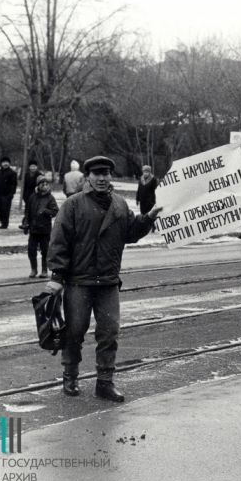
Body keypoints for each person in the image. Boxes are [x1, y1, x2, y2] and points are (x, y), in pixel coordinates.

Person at [45, 156, 162, 402]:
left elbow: (130, 232)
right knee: (75, 331)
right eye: (96, 174)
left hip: (108, 281)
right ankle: (70, 376)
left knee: (109, 332)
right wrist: (57, 275)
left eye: (106, 173)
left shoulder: (119, 204)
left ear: (110, 176)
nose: (101, 178)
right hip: (79, 281)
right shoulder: (73, 204)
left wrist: (149, 217)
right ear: (88, 177)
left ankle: (105, 382)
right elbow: (59, 241)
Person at [23, 175, 59, 278]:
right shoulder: (32, 197)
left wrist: (46, 211)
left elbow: (55, 211)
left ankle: (44, 270)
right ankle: (33, 269)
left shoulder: (50, 198)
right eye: (42, 184)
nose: (45, 186)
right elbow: (27, 211)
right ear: (38, 185)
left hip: (45, 230)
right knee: (31, 250)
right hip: (33, 229)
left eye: (46, 184)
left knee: (45, 251)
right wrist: (26, 223)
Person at [0, 156, 18, 229]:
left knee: (5, 209)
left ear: (9, 163)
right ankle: (2, 220)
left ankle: (5, 223)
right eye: (3, 162)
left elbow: (14, 185)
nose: (5, 164)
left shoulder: (12, 173)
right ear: (1, 163)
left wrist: (11, 194)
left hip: (7, 195)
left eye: (7, 162)